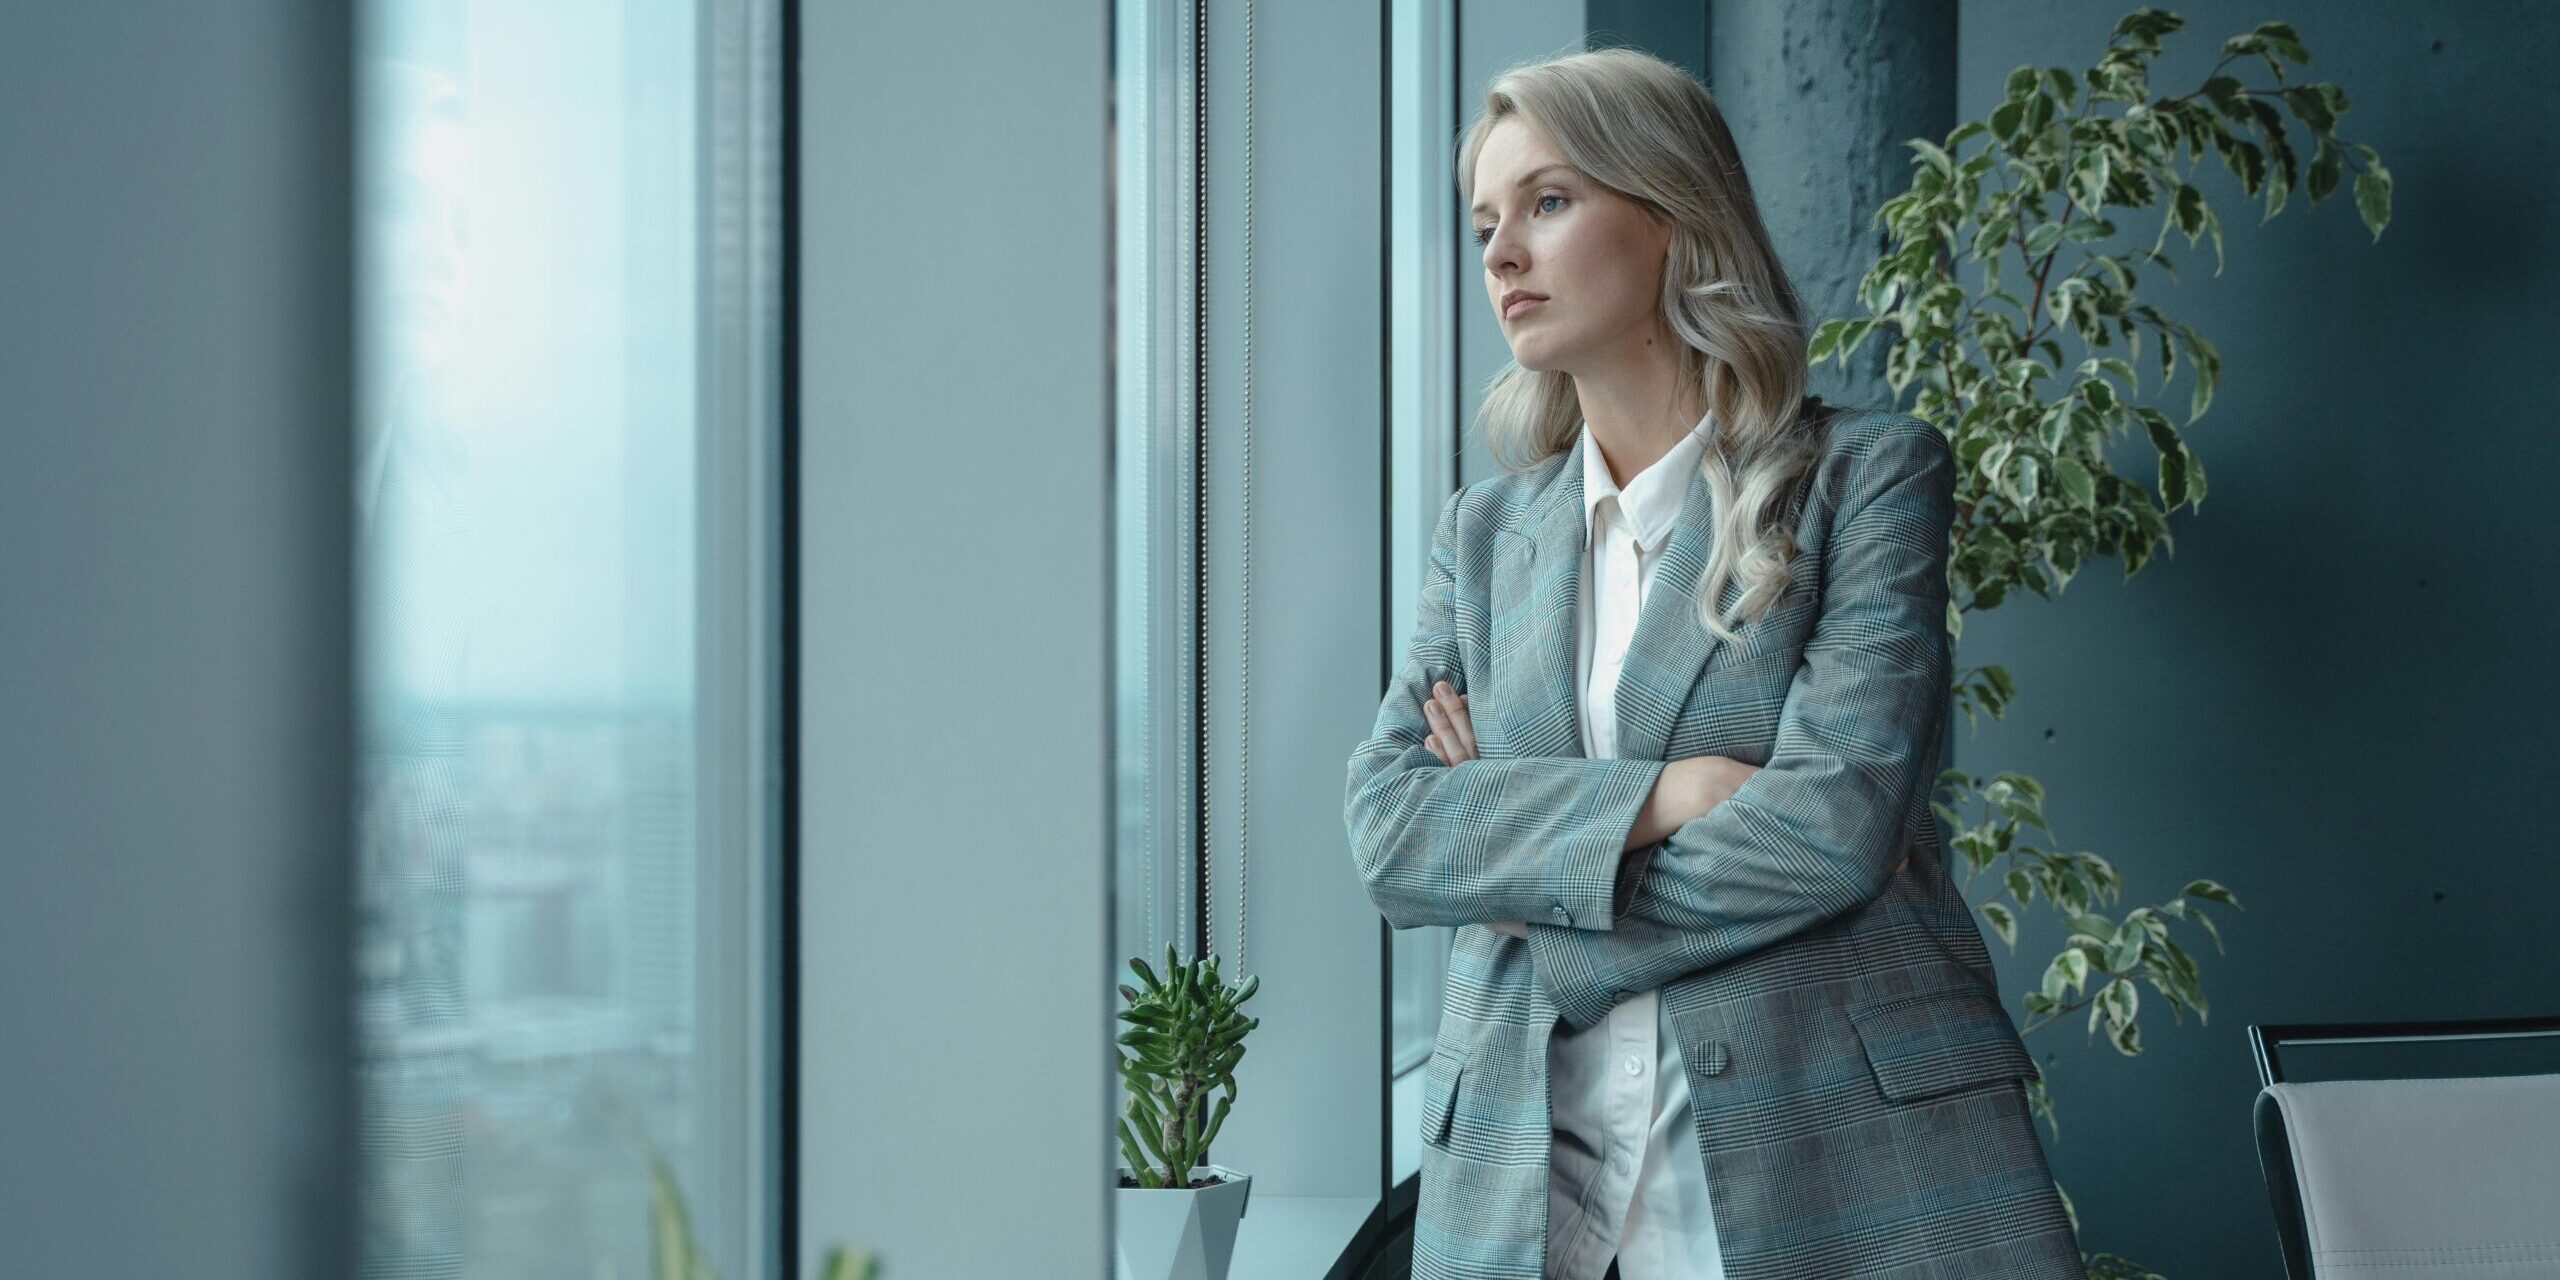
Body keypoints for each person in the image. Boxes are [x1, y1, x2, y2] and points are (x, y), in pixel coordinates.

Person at [1343, 47, 2084, 1280]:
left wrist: (1529, 893)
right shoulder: (1482, 536)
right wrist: (1669, 795)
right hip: (1531, 1193)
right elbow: (1390, 829)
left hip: (1837, 1174)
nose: (1500, 254)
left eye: (1547, 201)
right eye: (1484, 222)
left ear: (1672, 211)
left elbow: (1829, 827)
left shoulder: (1869, 478)